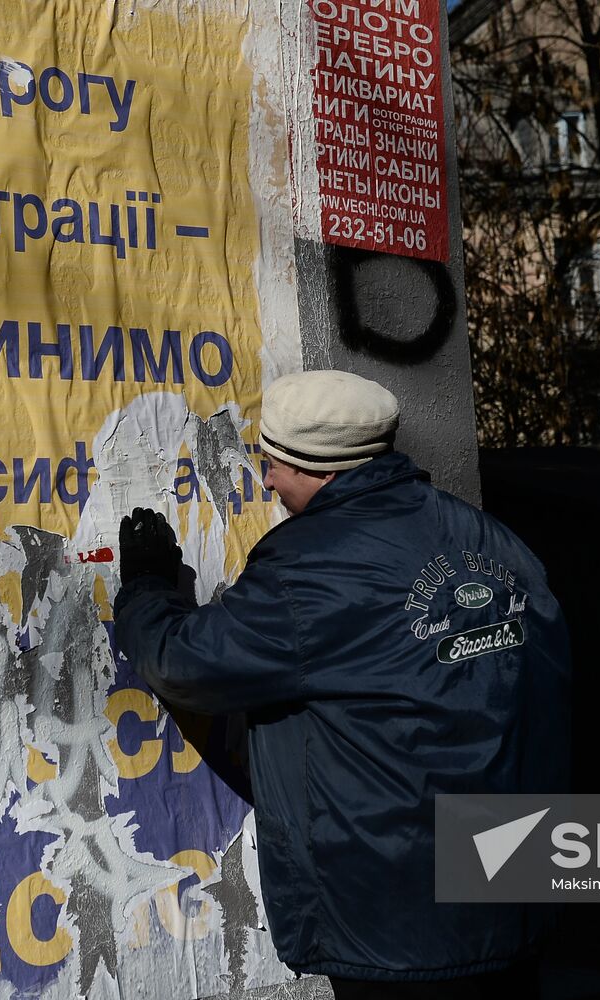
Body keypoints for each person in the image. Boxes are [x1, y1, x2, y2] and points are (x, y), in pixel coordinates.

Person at [113, 370, 570, 998]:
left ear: (321, 470)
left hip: (395, 914)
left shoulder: (311, 568)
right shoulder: (486, 537)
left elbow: (184, 664)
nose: (267, 480)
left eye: (275, 464)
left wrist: (147, 587)